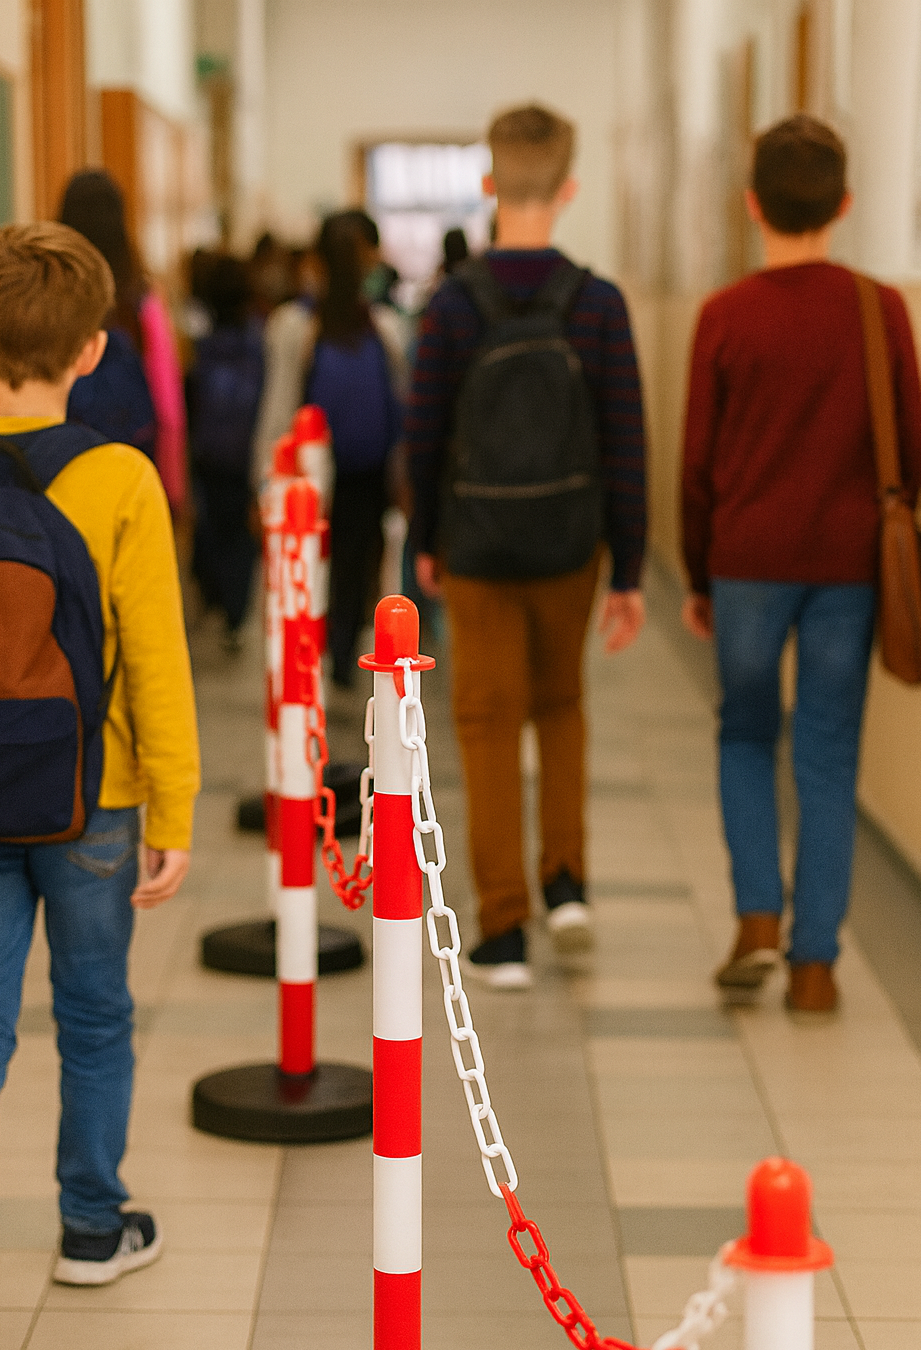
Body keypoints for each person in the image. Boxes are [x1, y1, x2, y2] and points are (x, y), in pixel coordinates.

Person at [0, 222, 200, 1350]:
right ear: (94, 351)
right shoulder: (118, 477)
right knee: (93, 1011)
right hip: (93, 798)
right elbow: (155, 660)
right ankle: (89, 1226)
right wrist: (170, 807)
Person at [681, 115, 921, 1012]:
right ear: (847, 206)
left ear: (751, 207)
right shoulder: (878, 308)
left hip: (745, 564)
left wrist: (699, 576)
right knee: (827, 753)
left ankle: (755, 918)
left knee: (745, 733)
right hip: (850, 569)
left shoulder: (724, 316)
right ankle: (816, 965)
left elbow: (697, 464)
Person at [407, 104, 647, 989]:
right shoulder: (598, 304)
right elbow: (626, 440)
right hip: (569, 541)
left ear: (487, 184)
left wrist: (423, 546)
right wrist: (628, 566)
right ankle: (569, 883)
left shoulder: (450, 308)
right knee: (562, 705)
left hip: (475, 541)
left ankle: (503, 928)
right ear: (570, 188)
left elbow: (422, 436)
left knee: (485, 721)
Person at [252, 210, 407, 685]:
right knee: (358, 559)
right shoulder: (385, 326)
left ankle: (311, 646)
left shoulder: (293, 325)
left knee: (312, 558)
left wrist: (263, 481)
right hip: (368, 469)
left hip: (312, 471)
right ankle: (344, 652)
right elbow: (401, 403)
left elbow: (279, 408)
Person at [58, 170, 188, 516]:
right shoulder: (140, 299)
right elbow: (168, 407)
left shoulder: (49, 299)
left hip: (63, 475)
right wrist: (172, 490)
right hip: (131, 476)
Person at [187, 251, 264, 648]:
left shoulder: (203, 343)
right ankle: (235, 611)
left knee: (213, 524)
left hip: (208, 449)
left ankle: (215, 598)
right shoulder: (255, 343)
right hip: (243, 450)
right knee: (240, 534)